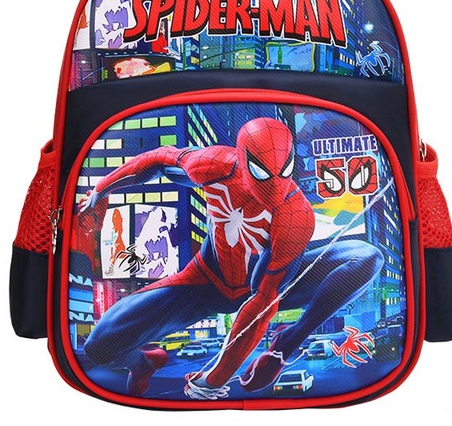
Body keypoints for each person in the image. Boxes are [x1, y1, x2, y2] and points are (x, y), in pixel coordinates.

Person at [80, 117, 384, 399]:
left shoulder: (295, 215)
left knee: (366, 258)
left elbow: (264, 300)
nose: (274, 186)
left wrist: (215, 378)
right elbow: (158, 158)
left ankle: (287, 341)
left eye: (284, 171)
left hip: (265, 286)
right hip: (204, 281)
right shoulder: (215, 166)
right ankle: (143, 363)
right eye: (262, 172)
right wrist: (100, 190)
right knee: (99, 346)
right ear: (243, 159)